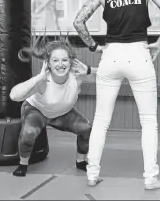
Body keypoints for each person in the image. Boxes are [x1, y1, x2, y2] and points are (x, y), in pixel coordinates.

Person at [73, 0, 160, 189]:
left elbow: (78, 21)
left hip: (111, 57)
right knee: (149, 121)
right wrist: (159, 45)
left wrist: (92, 47)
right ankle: (151, 177)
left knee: (100, 120)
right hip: (139, 55)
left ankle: (91, 174)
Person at [9, 33, 97, 177]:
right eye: (55, 60)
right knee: (28, 133)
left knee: (86, 128)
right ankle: (23, 164)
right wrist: (38, 77)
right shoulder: (43, 82)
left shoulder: (77, 77)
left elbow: (110, 76)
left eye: (64, 60)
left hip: (63, 113)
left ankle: (81, 161)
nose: (60, 64)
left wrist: (88, 70)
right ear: (48, 63)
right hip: (37, 112)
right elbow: (14, 95)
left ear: (71, 62)